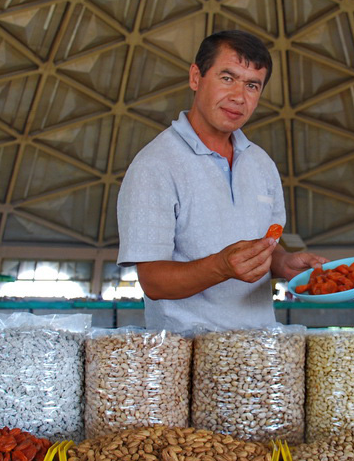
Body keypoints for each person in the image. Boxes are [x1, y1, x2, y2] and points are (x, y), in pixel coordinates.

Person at [117, 30, 327, 333]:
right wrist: (221, 267)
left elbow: (267, 247)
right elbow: (153, 281)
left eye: (252, 85)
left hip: (261, 348)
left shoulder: (261, 164)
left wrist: (284, 264)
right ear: (195, 77)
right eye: (227, 78)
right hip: (187, 355)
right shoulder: (155, 165)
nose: (239, 97)